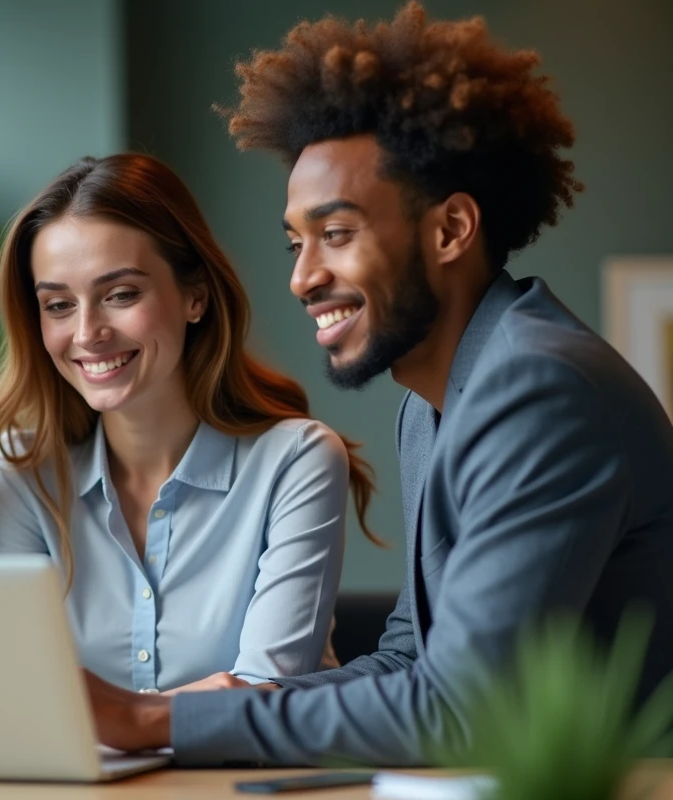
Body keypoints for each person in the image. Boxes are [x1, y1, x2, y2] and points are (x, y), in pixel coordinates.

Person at [84, 2, 673, 765]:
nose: (303, 277)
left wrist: (154, 723)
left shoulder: (536, 387)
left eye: (336, 234)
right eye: (297, 242)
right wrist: (193, 705)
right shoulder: (436, 401)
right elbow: (411, 660)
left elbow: (457, 710)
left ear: (451, 230)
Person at [0, 152, 380, 694]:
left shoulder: (296, 460)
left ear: (195, 295)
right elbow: (9, 691)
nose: (87, 333)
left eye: (120, 295)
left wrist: (112, 716)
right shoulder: (27, 467)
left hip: (254, 779)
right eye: (57, 305)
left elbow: (261, 697)